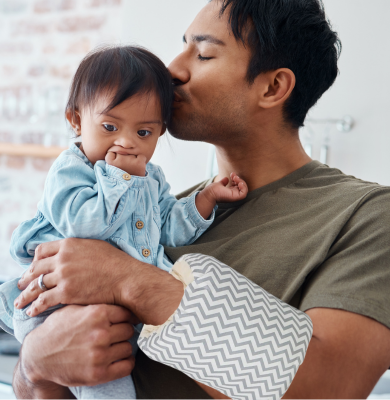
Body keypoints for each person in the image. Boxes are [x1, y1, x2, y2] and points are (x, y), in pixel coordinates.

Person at [12, 0, 390, 398]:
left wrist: (127, 279)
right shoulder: (152, 213)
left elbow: (328, 389)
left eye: (203, 53)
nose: (172, 69)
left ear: (272, 87)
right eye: (183, 46)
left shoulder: (369, 217)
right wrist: (34, 368)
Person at [1, 45, 248, 399]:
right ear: (75, 119)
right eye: (109, 126)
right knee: (109, 387)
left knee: (121, 368)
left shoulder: (152, 178)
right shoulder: (71, 170)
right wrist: (117, 178)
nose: (126, 142)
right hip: (59, 305)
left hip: (120, 311)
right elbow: (82, 229)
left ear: (160, 132)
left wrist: (205, 199)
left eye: (143, 133)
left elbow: (168, 228)